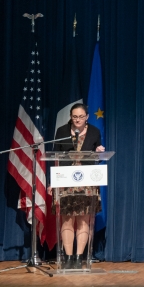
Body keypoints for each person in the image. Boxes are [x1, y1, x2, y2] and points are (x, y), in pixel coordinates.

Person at [52, 103, 105, 269]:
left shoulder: (94, 131)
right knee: (67, 219)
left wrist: (99, 152)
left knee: (83, 220)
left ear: (87, 117)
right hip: (65, 181)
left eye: (81, 117)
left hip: (87, 181)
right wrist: (51, 182)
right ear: (70, 117)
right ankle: (68, 258)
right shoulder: (61, 131)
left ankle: (78, 257)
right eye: (75, 117)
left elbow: (97, 155)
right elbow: (54, 158)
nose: (78, 120)